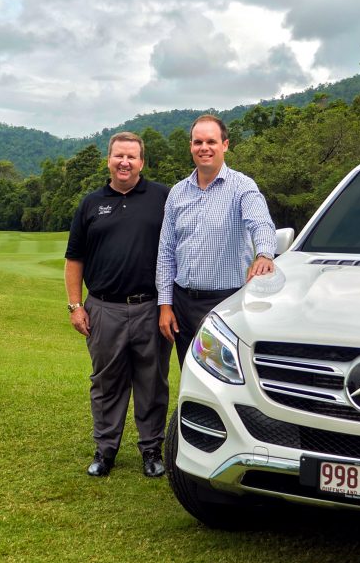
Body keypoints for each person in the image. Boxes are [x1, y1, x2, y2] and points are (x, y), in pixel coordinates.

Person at [65, 132, 171, 478]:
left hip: (150, 306)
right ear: (109, 160)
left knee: (152, 382)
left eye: (132, 157)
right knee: (106, 382)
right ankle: (105, 450)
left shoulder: (162, 198)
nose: (124, 162)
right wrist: (74, 305)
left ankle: (151, 451)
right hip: (103, 308)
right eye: (118, 156)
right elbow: (74, 258)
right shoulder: (91, 203)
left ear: (142, 162)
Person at [156, 114, 277, 366]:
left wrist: (264, 254)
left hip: (225, 302)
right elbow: (166, 251)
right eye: (198, 142)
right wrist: (165, 304)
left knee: (222, 372)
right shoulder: (177, 192)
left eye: (211, 141)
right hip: (182, 302)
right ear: (190, 146)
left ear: (225, 145)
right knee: (188, 368)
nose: (204, 148)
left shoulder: (242, 186)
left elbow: (261, 222)